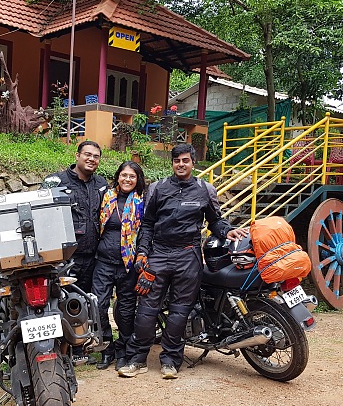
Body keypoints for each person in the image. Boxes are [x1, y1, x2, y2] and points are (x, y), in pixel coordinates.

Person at [118, 144, 248, 379]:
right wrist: (143, 253)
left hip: (188, 256)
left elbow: (215, 221)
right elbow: (147, 224)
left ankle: (170, 360)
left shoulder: (205, 190)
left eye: (185, 160)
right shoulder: (157, 188)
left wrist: (226, 230)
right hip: (158, 254)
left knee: (180, 312)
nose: (181, 164)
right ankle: (137, 359)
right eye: (177, 160)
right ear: (172, 163)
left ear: (193, 162)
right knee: (146, 311)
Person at [44, 140, 107, 365]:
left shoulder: (101, 184)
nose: (91, 159)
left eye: (96, 156)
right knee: (62, 302)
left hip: (94, 255)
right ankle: (59, 348)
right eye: (87, 155)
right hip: (65, 257)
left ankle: (80, 347)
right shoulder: (56, 182)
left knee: (86, 303)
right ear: (77, 155)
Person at [91, 161, 146, 370]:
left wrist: (142, 255)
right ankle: (107, 348)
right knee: (98, 306)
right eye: (124, 175)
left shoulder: (142, 202)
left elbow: (145, 233)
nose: (127, 179)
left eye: (132, 176)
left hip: (128, 266)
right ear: (118, 176)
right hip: (103, 262)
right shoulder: (106, 197)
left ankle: (123, 349)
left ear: (137, 179)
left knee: (125, 310)